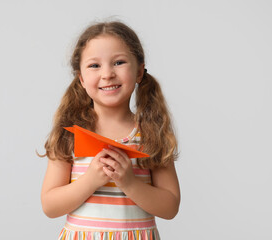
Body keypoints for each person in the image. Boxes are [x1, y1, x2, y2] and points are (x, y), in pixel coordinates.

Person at [39, 20, 180, 240]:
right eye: (95, 65)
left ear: (139, 72)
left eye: (119, 62)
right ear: (82, 79)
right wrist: (91, 180)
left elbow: (170, 207)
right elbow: (50, 206)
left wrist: (129, 183)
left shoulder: (152, 133)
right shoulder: (70, 134)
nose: (107, 74)